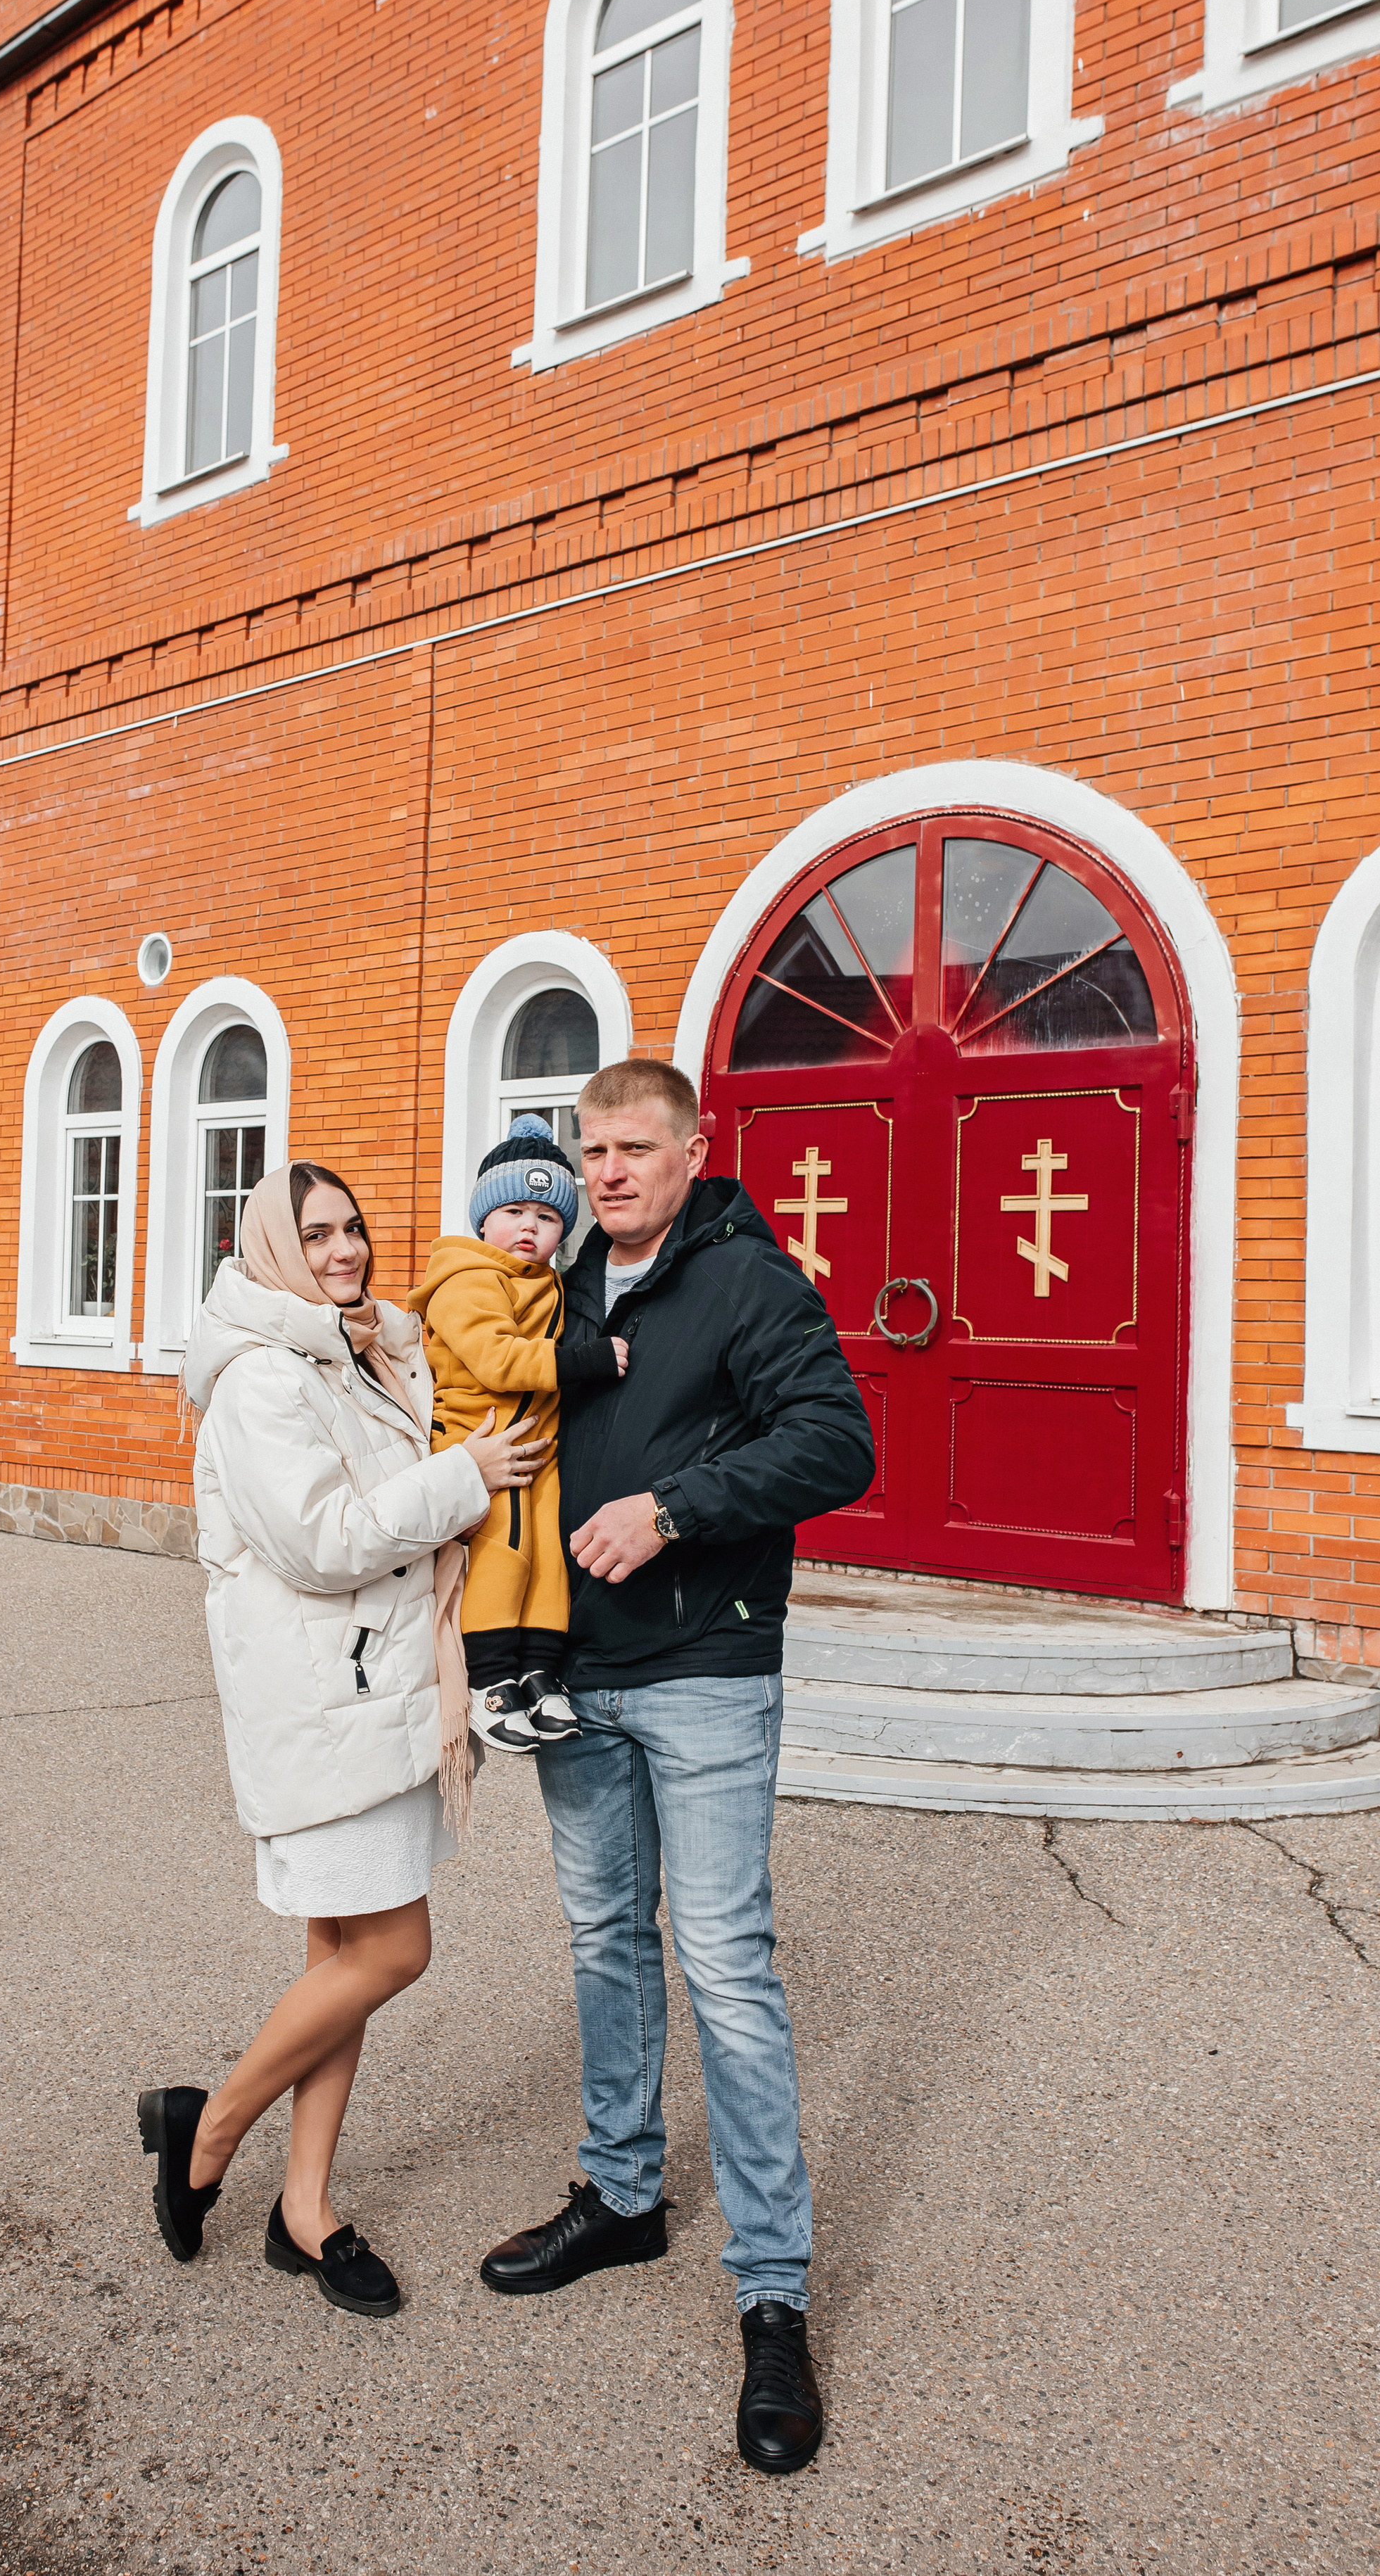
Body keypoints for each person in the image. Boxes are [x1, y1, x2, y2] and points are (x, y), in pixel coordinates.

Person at [477, 1060, 874, 2476]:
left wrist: (675, 1508)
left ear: (695, 1148)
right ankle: (623, 2195)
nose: (607, 1172)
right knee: (601, 1940)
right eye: (589, 1151)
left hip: (704, 1670)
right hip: (575, 1680)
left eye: (633, 1147)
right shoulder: (561, 1288)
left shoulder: (746, 1280)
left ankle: (772, 2291)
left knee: (721, 1961)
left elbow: (837, 1442)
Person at [139, 1160, 546, 2318]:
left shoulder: (359, 1347)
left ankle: (302, 2208)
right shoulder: (266, 1377)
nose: (345, 1249)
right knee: (394, 1949)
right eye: (315, 1233)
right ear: (271, 1248)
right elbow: (325, 1542)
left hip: (376, 1693)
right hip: (328, 1706)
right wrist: (462, 1476)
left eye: (355, 1227)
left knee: (338, 1962)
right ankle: (206, 2130)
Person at [407, 1113, 627, 1754]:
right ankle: (489, 1681)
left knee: (548, 1562)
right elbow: (495, 1359)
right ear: (483, 1220)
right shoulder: (468, 1278)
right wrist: (582, 1362)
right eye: (514, 1211)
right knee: (503, 1554)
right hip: (480, 1441)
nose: (529, 1226)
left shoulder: (549, 1286)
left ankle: (539, 1671)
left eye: (548, 1216)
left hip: (536, 1445)